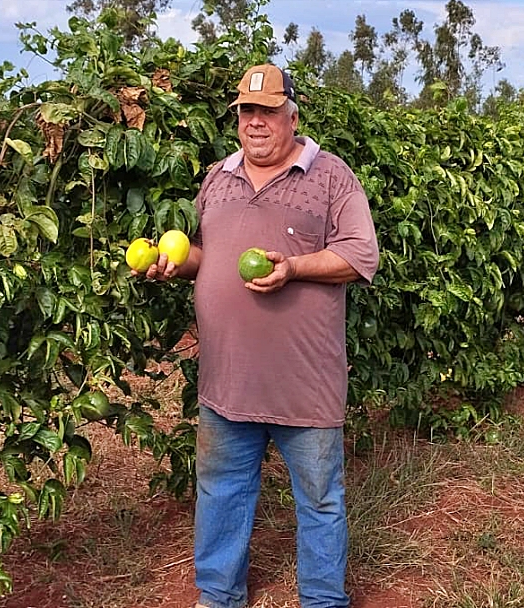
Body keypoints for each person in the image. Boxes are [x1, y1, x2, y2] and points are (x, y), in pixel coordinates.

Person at [139, 64, 379, 608]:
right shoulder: (217, 178)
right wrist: (175, 264)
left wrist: (292, 268)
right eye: (247, 112)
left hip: (304, 383)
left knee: (319, 498)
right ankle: (219, 595)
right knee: (220, 491)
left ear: (291, 116)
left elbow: (361, 256)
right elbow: (208, 253)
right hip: (228, 381)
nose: (256, 122)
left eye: (268, 111)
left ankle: (322, 599)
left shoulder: (331, 176)